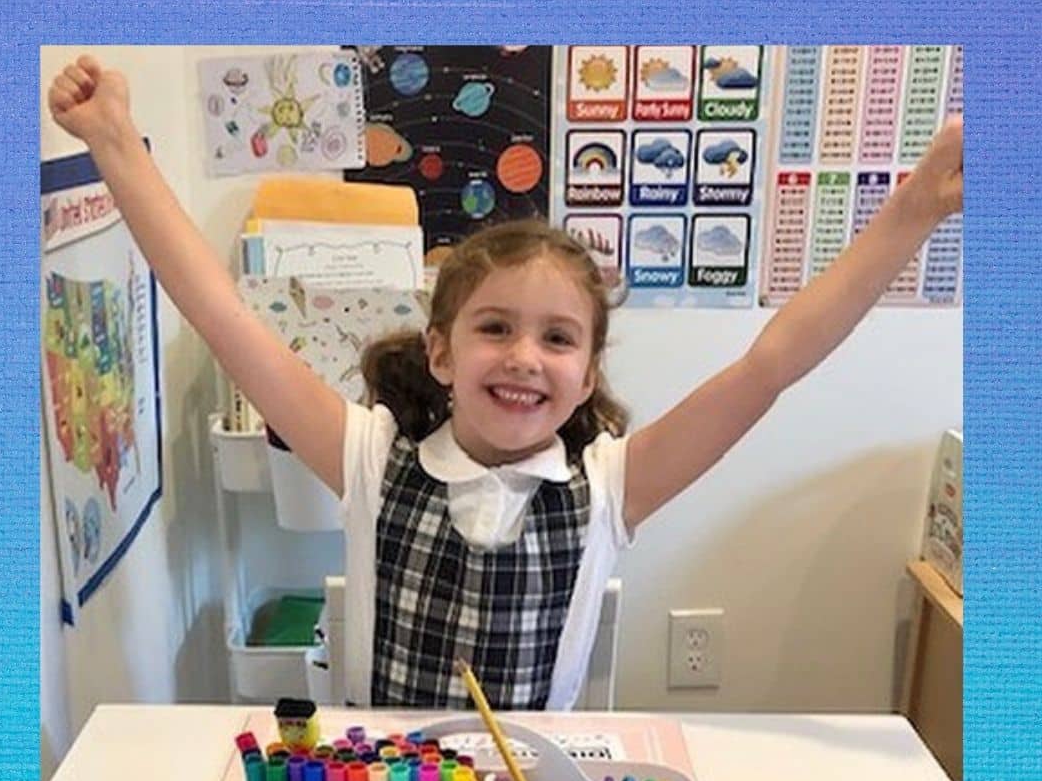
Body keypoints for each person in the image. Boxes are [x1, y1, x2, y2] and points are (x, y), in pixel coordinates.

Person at [47, 55, 964, 711]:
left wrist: (912, 212)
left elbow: (772, 365)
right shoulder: (369, 457)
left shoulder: (611, 485)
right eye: (495, 327)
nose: (525, 355)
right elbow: (224, 317)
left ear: (587, 374)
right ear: (442, 353)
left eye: (558, 338)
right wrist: (116, 143)